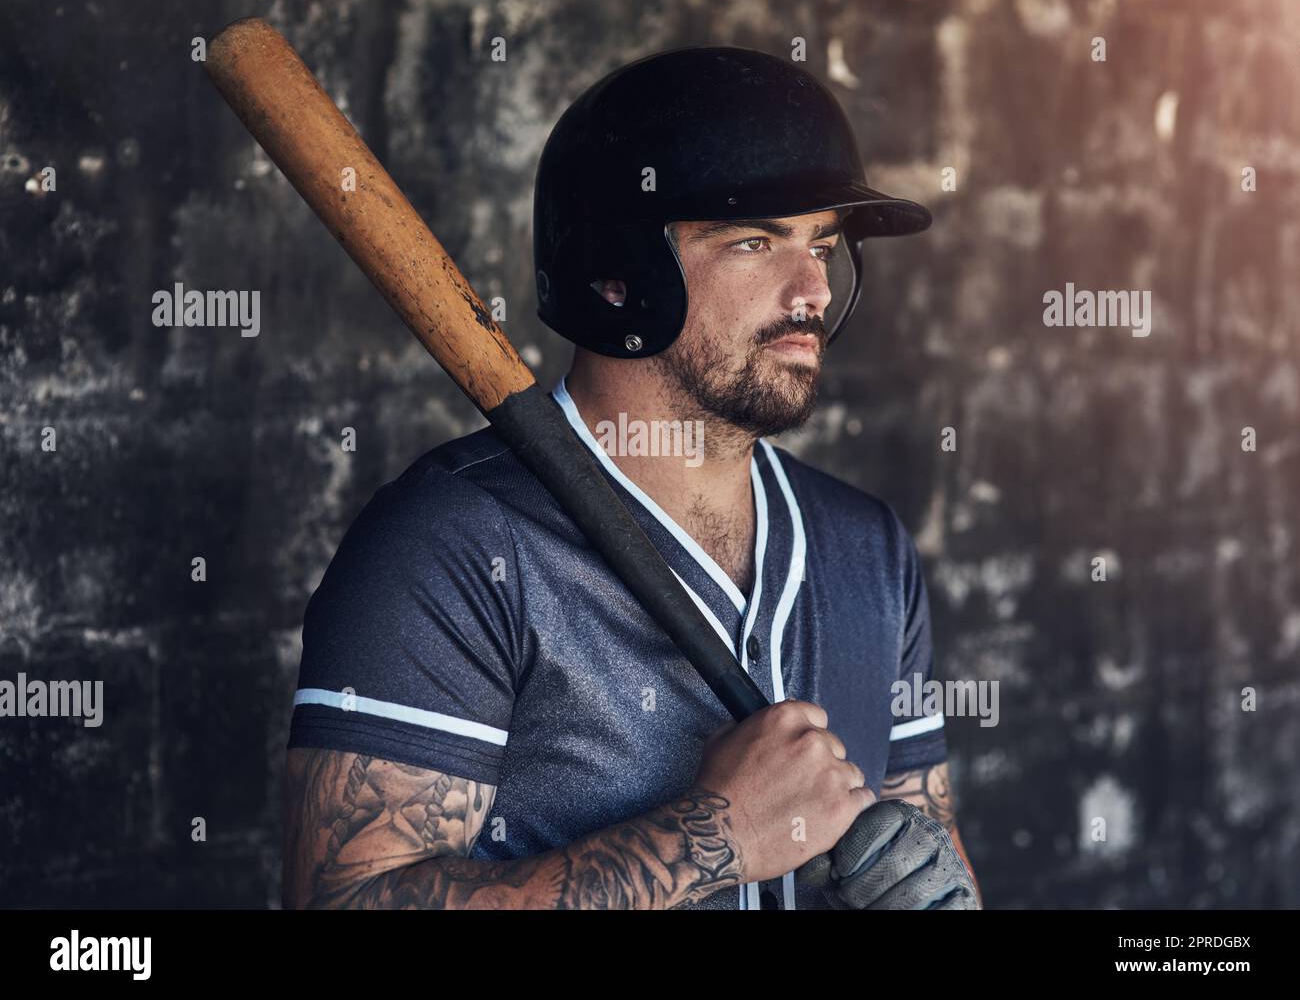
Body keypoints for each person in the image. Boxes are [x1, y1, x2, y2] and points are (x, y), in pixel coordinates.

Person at [281, 46, 981, 910]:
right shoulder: (451, 544)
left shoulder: (867, 548)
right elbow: (348, 902)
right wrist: (716, 834)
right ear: (618, 277)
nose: (811, 291)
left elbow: (932, 845)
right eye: (757, 242)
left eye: (824, 247)